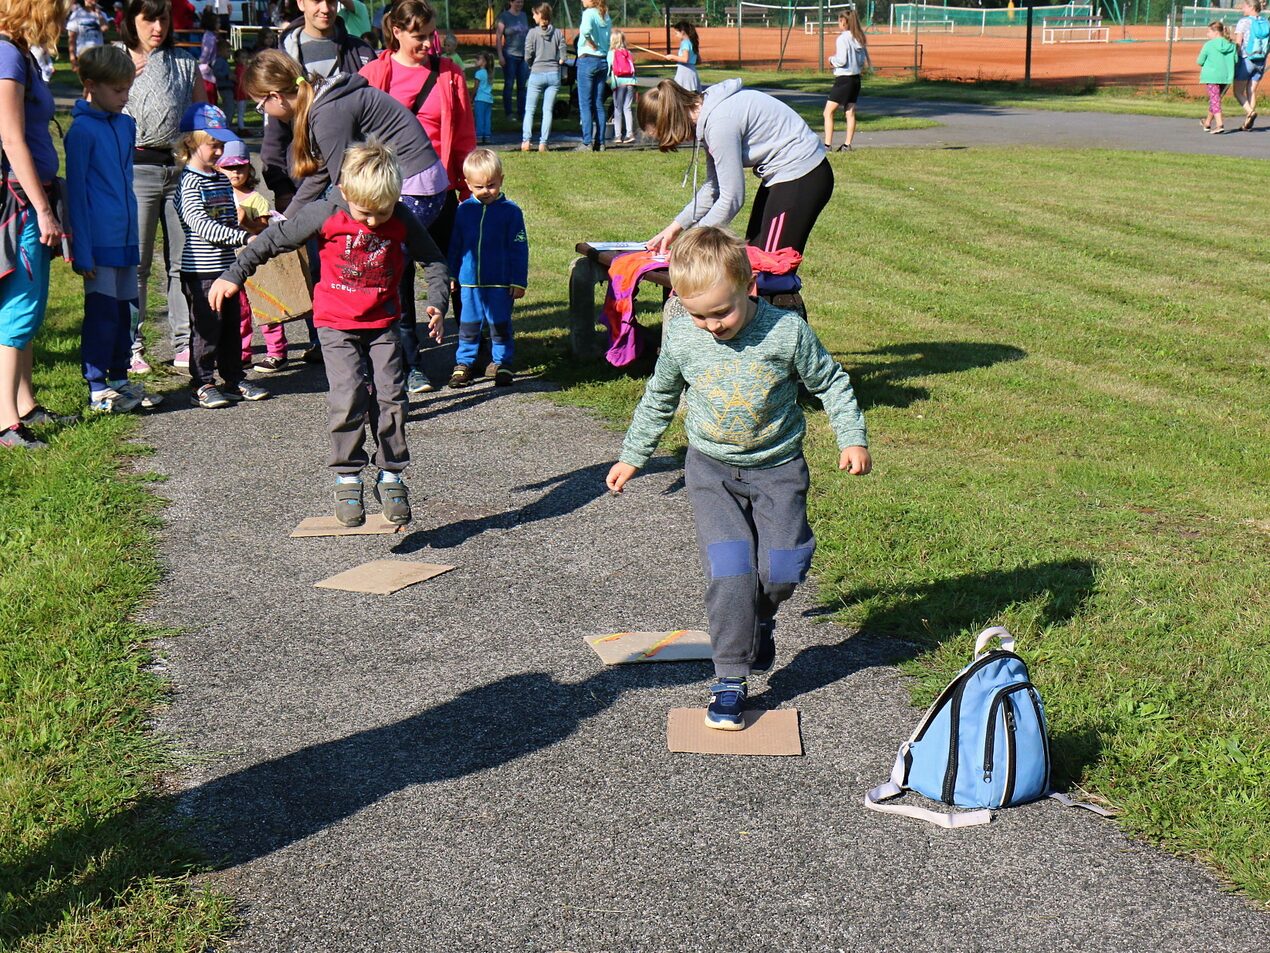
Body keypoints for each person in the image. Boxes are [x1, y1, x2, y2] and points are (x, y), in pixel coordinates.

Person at [605, 227, 871, 730]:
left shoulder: (786, 332)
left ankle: (760, 619)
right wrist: (632, 455)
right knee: (730, 571)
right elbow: (660, 396)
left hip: (778, 470)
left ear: (749, 286)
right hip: (712, 473)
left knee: (783, 568)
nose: (711, 326)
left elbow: (831, 382)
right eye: (697, 315)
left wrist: (851, 438)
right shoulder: (683, 335)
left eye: (721, 313)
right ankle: (729, 677)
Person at [209, 141, 450, 527]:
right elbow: (272, 240)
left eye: (383, 212)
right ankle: (348, 476)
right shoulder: (325, 212)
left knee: (392, 396)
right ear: (345, 192)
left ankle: (391, 475)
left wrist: (437, 301)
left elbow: (433, 259)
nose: (374, 222)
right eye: (365, 213)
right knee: (349, 394)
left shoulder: (401, 216)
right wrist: (234, 274)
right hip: (336, 323)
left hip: (382, 323)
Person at [639, 79, 832, 319]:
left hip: (802, 176)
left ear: (670, 122)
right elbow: (714, 186)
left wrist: (692, 241)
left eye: (665, 136)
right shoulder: (708, 115)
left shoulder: (719, 123)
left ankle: (789, 337)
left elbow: (732, 198)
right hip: (781, 178)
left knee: (769, 271)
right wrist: (675, 228)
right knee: (751, 263)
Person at [361, 0, 474, 393]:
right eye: (418, 36)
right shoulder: (374, 74)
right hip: (392, 196)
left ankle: (468, 354)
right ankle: (410, 363)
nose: (428, 44)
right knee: (399, 278)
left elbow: (463, 135)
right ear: (396, 31)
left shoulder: (449, 74)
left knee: (456, 271)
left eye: (430, 35)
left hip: (441, 193)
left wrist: (467, 189)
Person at [65, 45, 164, 414]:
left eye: (128, 89)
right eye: (118, 90)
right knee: (102, 313)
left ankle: (120, 378)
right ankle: (97, 386)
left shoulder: (125, 125)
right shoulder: (81, 131)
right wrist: (82, 250)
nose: (125, 98)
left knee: (127, 313)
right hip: (98, 242)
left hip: (126, 238)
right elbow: (76, 195)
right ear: (92, 85)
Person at [0, 0, 71, 450]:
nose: (61, 22)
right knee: (18, 308)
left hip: (31, 194)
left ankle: (25, 403)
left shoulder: (18, 53)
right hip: (20, 201)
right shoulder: (6, 55)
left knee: (30, 304)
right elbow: (10, 137)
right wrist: (43, 209)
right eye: (57, 12)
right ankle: (5, 421)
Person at [122, 0, 207, 374]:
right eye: (149, 19)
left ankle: (184, 341)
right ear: (132, 20)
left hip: (177, 170)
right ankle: (132, 345)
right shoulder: (116, 58)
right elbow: (94, 106)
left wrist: (204, 161)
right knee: (137, 263)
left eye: (164, 19)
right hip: (135, 169)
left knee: (182, 260)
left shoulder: (185, 63)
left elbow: (203, 116)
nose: (158, 27)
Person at [173, 103, 271, 408]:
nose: (219, 152)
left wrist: (247, 228)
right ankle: (201, 383)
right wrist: (244, 237)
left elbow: (229, 218)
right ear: (190, 143)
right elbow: (201, 224)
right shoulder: (189, 182)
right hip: (201, 270)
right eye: (213, 145)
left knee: (231, 327)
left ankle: (233, 378)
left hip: (227, 269)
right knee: (206, 328)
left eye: (221, 145)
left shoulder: (219, 179)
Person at [264, 0, 373, 213]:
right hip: (305, 187)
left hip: (359, 187)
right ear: (301, 3)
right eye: (316, 1)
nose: (325, 8)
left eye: (331, 1)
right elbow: (274, 133)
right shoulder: (282, 59)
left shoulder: (362, 53)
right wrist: (282, 189)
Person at [447, 149, 526, 388]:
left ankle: (502, 362)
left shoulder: (511, 212)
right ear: (467, 184)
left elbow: (519, 248)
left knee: (500, 324)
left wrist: (518, 280)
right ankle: (464, 363)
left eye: (491, 185)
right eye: (479, 187)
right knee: (469, 325)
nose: (485, 192)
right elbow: (456, 245)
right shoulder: (464, 210)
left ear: (501, 180)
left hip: (500, 282)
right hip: (470, 282)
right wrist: (452, 273)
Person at [215, 138, 288, 372]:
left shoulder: (255, 199)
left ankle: (276, 352)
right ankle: (242, 352)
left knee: (266, 306)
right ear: (218, 168)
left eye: (240, 167)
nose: (235, 172)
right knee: (240, 311)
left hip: (257, 263)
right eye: (228, 167)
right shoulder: (219, 195)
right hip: (231, 263)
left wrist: (246, 222)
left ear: (249, 168)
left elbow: (264, 230)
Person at [521, 1, 565, 152]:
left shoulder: (532, 33)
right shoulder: (557, 33)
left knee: (530, 110)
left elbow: (528, 55)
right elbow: (563, 51)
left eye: (534, 14)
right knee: (547, 110)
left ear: (540, 15)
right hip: (553, 75)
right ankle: (543, 143)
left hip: (536, 73)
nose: (533, 16)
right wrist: (560, 59)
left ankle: (526, 141)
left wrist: (531, 64)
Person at [823, 9, 868, 151]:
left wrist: (831, 60)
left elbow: (841, 60)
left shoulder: (842, 39)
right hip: (856, 79)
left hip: (844, 80)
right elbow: (861, 61)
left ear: (844, 22)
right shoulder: (859, 38)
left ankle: (827, 145)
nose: (839, 23)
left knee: (828, 112)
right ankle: (847, 145)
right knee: (850, 112)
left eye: (839, 20)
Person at [574, 0, 610, 151]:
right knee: (598, 103)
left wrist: (591, 43)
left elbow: (585, 31)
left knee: (585, 103)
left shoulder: (588, 13)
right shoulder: (605, 14)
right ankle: (600, 142)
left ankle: (587, 142)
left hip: (587, 60)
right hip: (602, 61)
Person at [1233, 0, 1268, 129]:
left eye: (1244, 6)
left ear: (1251, 7)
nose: (1242, 8)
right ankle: (1248, 122)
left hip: (1246, 59)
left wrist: (1234, 59)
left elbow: (1238, 43)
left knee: (1237, 92)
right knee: (1251, 90)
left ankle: (1250, 112)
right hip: (1260, 60)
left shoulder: (1244, 22)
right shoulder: (1265, 22)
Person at [1199, 20, 1237, 134]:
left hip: (1212, 77)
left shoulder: (1208, 45)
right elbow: (1235, 60)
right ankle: (1207, 123)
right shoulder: (1232, 45)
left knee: (1215, 99)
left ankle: (1219, 124)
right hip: (1226, 77)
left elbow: (1200, 61)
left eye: (1209, 32)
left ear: (1216, 32)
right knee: (1215, 99)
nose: (1207, 34)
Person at [495, 0, 528, 119]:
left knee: (522, 86)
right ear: (511, 2)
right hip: (509, 55)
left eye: (521, 2)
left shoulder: (524, 15)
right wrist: (500, 55)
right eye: (517, 2)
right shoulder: (504, 16)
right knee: (509, 84)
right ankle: (509, 112)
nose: (520, 4)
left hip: (523, 56)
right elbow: (498, 37)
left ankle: (522, 113)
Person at [607, 28, 637, 144]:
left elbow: (608, 70)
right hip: (630, 83)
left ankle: (618, 135)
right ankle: (629, 134)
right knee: (627, 108)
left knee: (617, 109)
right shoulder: (629, 53)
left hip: (619, 83)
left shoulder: (611, 53)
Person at [66, 0, 112, 71]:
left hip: (99, 55)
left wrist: (99, 14)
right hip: (83, 56)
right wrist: (72, 59)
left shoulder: (102, 14)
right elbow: (72, 38)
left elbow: (104, 29)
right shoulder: (76, 14)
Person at [667, 19, 700, 91]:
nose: (676, 35)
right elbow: (698, 60)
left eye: (676, 33)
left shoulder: (685, 43)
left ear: (682, 32)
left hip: (685, 72)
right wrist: (676, 59)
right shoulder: (691, 42)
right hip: (691, 70)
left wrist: (672, 56)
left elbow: (685, 59)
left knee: (682, 93)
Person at [472, 50, 494, 143]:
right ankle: (487, 136)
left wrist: (471, 97)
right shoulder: (490, 73)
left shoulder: (478, 73)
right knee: (487, 118)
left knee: (479, 118)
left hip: (480, 99)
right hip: (489, 99)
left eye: (478, 59)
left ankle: (479, 136)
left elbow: (476, 87)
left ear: (484, 62)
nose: (476, 61)